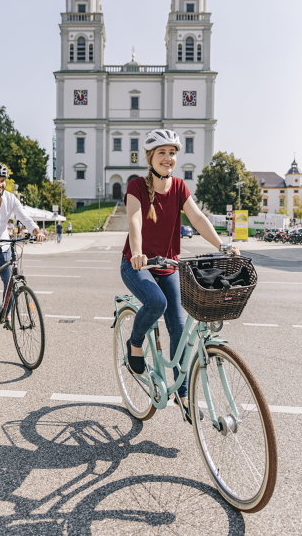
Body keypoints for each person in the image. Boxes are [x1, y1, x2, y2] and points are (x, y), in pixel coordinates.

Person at [121, 129, 240, 422]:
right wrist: (137, 252)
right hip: (138, 266)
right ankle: (135, 343)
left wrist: (222, 244)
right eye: (162, 152)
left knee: (179, 326)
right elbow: (135, 220)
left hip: (169, 265)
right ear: (150, 158)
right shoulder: (136, 186)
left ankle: (183, 393)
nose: (168, 158)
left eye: (172, 152)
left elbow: (197, 218)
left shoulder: (179, 187)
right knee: (156, 303)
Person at [0, 163, 45, 331]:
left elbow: (25, 217)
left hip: (4, 244)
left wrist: (36, 230)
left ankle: (7, 314)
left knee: (10, 280)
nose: (0, 184)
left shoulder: (11, 199)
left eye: (3, 181)